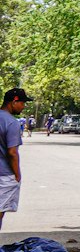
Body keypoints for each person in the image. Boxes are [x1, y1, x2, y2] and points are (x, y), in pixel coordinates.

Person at [0, 89, 25, 232]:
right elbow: (12, 152)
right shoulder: (11, 122)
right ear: (14, 102)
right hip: (4, 175)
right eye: (22, 103)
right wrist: (17, 175)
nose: (23, 107)